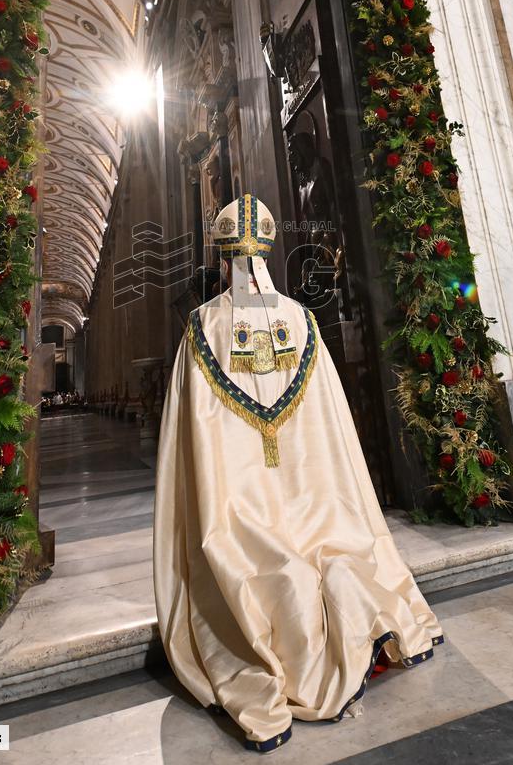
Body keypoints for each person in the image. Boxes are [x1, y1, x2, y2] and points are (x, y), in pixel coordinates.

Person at [153, 194, 443, 755]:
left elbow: (190, 438)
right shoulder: (303, 322)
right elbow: (329, 431)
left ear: (222, 257)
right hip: (316, 506)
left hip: (237, 508)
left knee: (251, 551)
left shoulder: (203, 327)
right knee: (336, 554)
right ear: (266, 252)